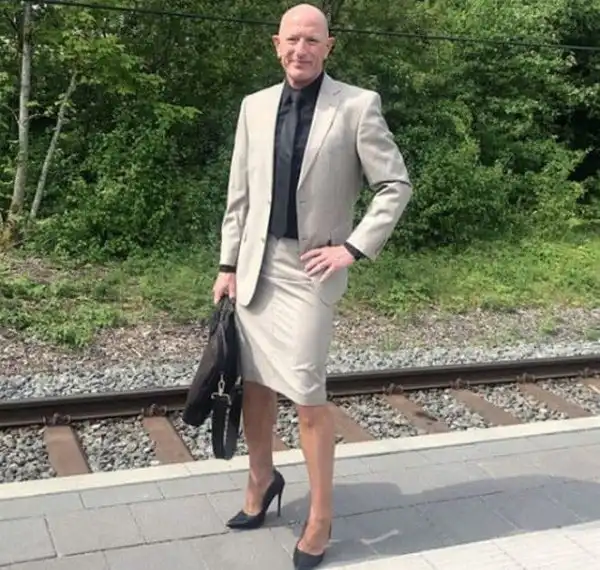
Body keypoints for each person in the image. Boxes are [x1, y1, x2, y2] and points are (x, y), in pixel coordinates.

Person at [212, 3, 412, 568]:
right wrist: (227, 265)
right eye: (292, 39)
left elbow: (395, 185)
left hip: (310, 271)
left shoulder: (357, 105)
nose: (301, 49)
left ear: (329, 46)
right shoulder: (253, 107)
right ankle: (261, 479)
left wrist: (352, 247)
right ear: (277, 45)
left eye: (312, 40)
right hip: (255, 267)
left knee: (306, 394)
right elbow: (239, 197)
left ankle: (321, 516)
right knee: (255, 384)